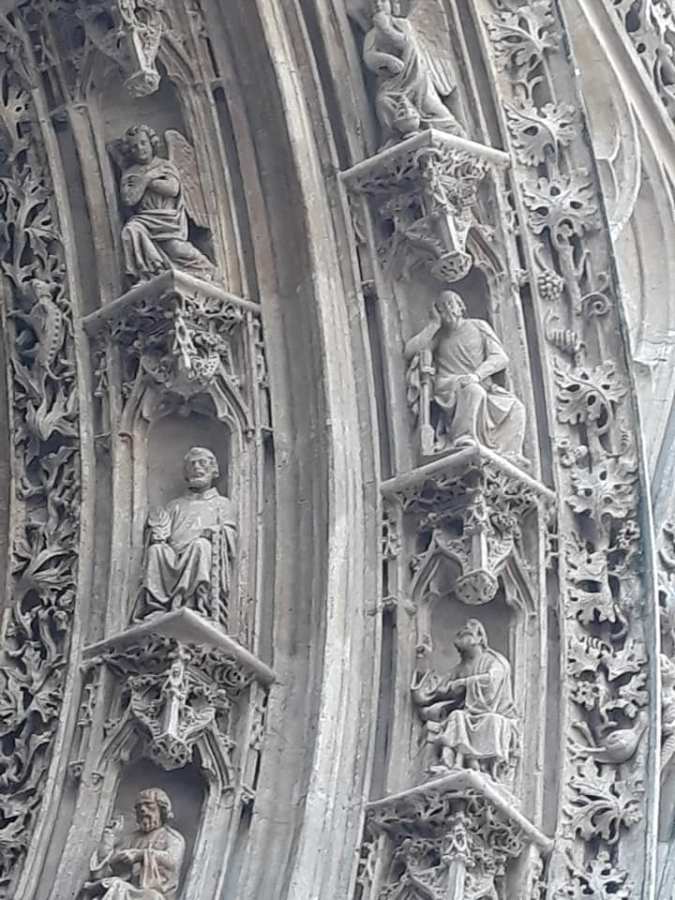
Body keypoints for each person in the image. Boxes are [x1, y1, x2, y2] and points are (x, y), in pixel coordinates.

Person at [405, 291, 526, 459]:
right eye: (441, 308)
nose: (447, 310)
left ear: (461, 306)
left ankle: (508, 454)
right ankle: (464, 437)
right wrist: (433, 325)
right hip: (449, 385)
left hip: (479, 382)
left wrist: (477, 375)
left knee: (516, 407)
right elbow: (409, 351)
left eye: (450, 304)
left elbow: (500, 358)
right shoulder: (438, 336)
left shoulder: (478, 326)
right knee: (473, 391)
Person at [411, 619, 520, 781]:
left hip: (493, 712)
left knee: (492, 721)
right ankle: (450, 762)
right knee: (457, 716)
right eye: (459, 634)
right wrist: (424, 662)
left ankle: (481, 767)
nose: (460, 635)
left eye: (466, 633)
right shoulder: (459, 669)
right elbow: (426, 695)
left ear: (479, 638)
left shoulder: (495, 661)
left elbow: (493, 682)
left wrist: (463, 683)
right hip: (468, 714)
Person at [138, 447, 237, 622]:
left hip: (199, 552)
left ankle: (197, 604)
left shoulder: (221, 504)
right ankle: (157, 606)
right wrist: (156, 533)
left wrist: (215, 531)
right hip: (174, 556)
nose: (196, 467)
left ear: (214, 470)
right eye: (192, 464)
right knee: (156, 550)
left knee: (200, 546)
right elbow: (163, 531)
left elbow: (230, 534)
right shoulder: (174, 505)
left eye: (202, 463)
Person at [119, 124, 214, 283]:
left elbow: (173, 189)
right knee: (130, 230)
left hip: (167, 219)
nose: (140, 149)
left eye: (143, 143)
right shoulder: (130, 173)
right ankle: (149, 272)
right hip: (145, 219)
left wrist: (145, 181)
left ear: (152, 143)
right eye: (134, 147)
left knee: (177, 249)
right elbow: (129, 199)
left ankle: (207, 271)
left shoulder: (164, 166)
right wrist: (148, 179)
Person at [363, 0, 463, 147]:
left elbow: (406, 43)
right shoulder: (372, 35)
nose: (378, 4)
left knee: (434, 108)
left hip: (416, 80)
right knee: (382, 101)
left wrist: (386, 29)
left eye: (382, 1)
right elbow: (369, 56)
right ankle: (395, 136)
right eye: (374, 3)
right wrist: (386, 60)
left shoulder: (403, 24)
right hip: (392, 84)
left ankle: (453, 134)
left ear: (392, 5)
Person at [84, 788, 185, 899]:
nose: (142, 809)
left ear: (161, 809)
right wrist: (109, 836)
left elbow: (172, 861)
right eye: (138, 806)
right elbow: (104, 871)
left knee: (152, 897)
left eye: (148, 804)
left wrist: (139, 855)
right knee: (114, 884)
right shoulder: (130, 838)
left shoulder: (172, 838)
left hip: (151, 892)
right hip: (127, 887)